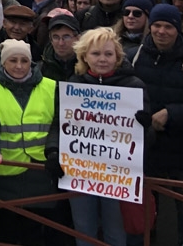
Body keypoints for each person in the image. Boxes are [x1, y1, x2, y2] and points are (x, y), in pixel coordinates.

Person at [129, 3, 183, 241]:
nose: (161, 31)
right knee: (145, 214)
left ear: (177, 30)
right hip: (144, 152)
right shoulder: (133, 58)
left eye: (168, 26)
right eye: (156, 25)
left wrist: (171, 113)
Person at [67, 27, 152, 246]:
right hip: (81, 172)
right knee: (84, 232)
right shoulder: (74, 85)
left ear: (117, 57)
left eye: (108, 54)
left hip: (118, 174)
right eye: (96, 54)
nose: (102, 59)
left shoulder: (134, 87)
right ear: (84, 56)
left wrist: (146, 126)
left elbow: (147, 141)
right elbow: (61, 126)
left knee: (115, 233)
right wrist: (53, 152)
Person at [0, 38, 60, 246]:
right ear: (3, 63)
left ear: (31, 63)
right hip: (4, 170)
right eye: (13, 60)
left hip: (39, 170)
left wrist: (53, 152)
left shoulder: (51, 87)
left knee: (36, 230)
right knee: (7, 230)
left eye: (24, 61)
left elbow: (56, 124)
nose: (19, 66)